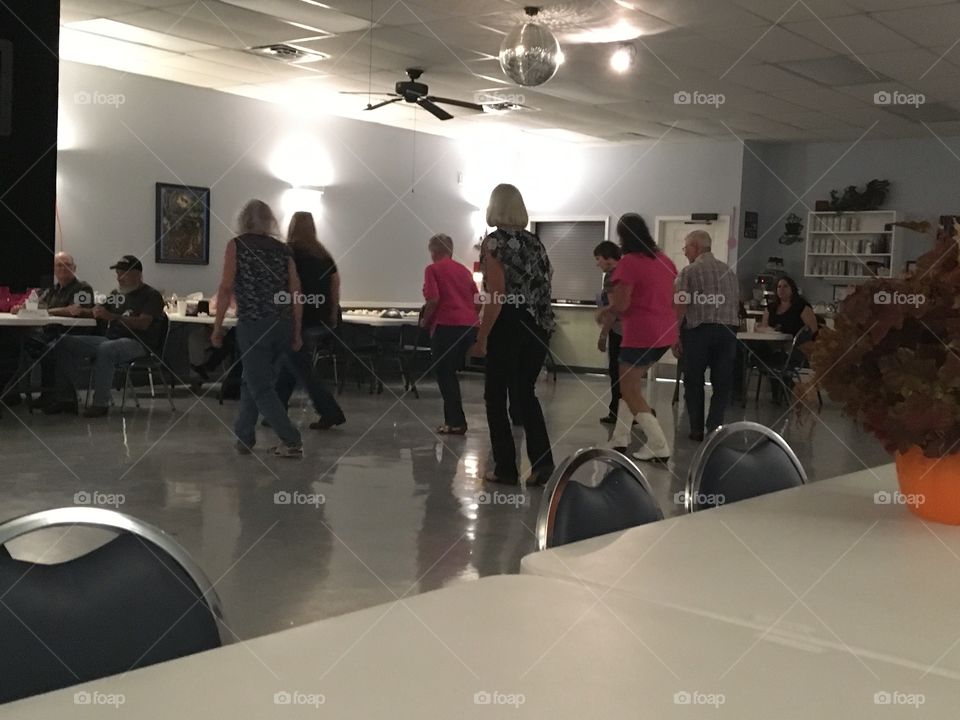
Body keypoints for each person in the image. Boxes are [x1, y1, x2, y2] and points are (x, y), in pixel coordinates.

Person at [472, 184, 555, 485]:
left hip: (509, 323)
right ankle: (543, 464)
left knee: (495, 396)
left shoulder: (494, 242)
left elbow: (497, 293)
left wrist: (482, 337)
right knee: (524, 393)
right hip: (539, 324)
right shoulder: (535, 242)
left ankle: (505, 468)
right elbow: (547, 279)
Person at [212, 199, 303, 458]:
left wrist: (217, 327)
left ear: (243, 220)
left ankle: (292, 440)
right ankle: (244, 437)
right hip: (282, 323)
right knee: (252, 379)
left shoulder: (237, 245)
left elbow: (226, 287)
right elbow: (296, 291)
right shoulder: (284, 250)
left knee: (260, 386)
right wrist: (296, 330)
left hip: (254, 322)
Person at [598, 213, 677, 462]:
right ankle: (620, 438)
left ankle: (658, 444)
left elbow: (622, 304)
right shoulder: (665, 260)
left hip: (641, 333)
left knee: (629, 389)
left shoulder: (629, 263)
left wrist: (604, 311)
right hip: (665, 332)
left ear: (622, 237)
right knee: (630, 386)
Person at [46, 255, 165, 418]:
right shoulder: (116, 294)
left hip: (138, 343)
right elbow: (98, 311)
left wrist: (113, 317)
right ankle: (66, 398)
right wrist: (79, 311)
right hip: (111, 339)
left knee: (106, 348)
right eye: (118, 273)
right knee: (64, 342)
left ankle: (100, 403)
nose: (119, 278)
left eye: (123, 274)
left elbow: (143, 323)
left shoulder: (151, 296)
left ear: (137, 275)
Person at [275, 211, 345, 430]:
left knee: (302, 368)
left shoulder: (288, 253)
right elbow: (335, 286)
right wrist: (332, 314)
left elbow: (284, 286)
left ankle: (330, 411)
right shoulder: (323, 255)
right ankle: (275, 411)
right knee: (292, 363)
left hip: (297, 317)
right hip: (320, 318)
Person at [674, 230, 741, 441]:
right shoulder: (729, 272)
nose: (685, 253)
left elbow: (680, 305)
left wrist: (675, 334)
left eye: (686, 248)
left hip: (698, 331)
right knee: (722, 381)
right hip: (727, 331)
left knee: (693, 380)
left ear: (695, 247)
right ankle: (715, 427)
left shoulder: (689, 271)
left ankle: (696, 429)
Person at [8, 252, 94, 405]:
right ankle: (12, 393)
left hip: (73, 334)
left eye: (67, 264)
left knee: (48, 347)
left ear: (74, 268)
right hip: (48, 332)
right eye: (59, 265)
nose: (63, 268)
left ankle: (57, 397)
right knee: (15, 342)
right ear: (53, 269)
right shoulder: (50, 289)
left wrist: (47, 311)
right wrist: (21, 308)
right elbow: (34, 305)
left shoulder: (83, 288)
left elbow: (75, 310)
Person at [421, 233, 478, 435]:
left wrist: (425, 321)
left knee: (445, 374)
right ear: (451, 250)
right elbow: (478, 300)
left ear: (433, 251)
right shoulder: (464, 270)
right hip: (469, 327)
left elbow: (433, 299)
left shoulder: (432, 269)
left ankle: (455, 422)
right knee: (452, 373)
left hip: (446, 326)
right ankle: (455, 420)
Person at [593, 240, 623, 424]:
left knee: (616, 372)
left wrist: (603, 335)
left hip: (619, 331)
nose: (597, 264)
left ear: (608, 258)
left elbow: (614, 309)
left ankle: (617, 412)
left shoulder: (611, 276)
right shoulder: (627, 271)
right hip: (633, 330)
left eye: (598, 259)